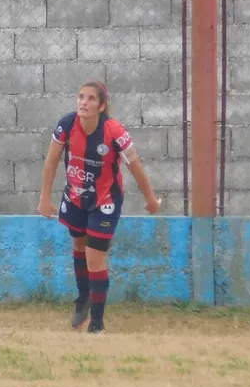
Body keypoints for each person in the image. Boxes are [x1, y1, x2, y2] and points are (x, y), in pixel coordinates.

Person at [37, 81, 161, 334]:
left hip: (105, 200)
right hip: (76, 196)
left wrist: (150, 198)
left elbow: (135, 167)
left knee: (95, 257)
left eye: (91, 98)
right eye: (80, 96)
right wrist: (44, 199)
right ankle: (83, 297)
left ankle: (97, 322)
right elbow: (51, 162)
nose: (83, 102)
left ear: (101, 105)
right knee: (79, 246)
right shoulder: (67, 124)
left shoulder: (114, 131)